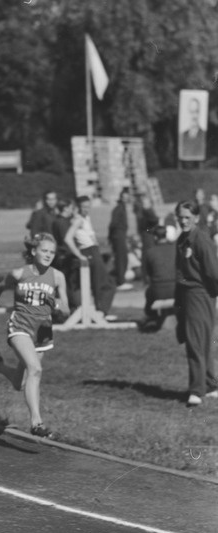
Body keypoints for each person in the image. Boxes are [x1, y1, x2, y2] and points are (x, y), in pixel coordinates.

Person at [0, 233, 69, 438]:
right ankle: (37, 423)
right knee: (35, 369)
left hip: (43, 331)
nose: (48, 255)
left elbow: (66, 309)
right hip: (20, 327)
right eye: (44, 251)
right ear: (33, 251)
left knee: (20, 383)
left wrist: (58, 305)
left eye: (52, 252)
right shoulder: (18, 274)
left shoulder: (58, 276)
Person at [174, 200, 218, 407]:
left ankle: (196, 391)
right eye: (180, 217)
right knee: (199, 340)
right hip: (186, 294)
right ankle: (209, 384)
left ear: (197, 218)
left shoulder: (201, 239)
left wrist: (212, 295)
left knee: (196, 342)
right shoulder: (182, 239)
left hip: (199, 293)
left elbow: (213, 272)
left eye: (187, 217)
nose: (183, 221)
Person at [64, 196, 117, 319]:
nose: (87, 209)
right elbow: (68, 238)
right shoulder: (78, 220)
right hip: (88, 251)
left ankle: (101, 310)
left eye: (88, 207)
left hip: (94, 250)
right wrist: (79, 255)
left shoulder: (86, 218)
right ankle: (101, 312)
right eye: (84, 207)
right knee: (105, 284)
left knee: (102, 282)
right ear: (78, 207)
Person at [139, 225, 176, 331]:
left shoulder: (150, 252)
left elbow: (149, 274)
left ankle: (151, 315)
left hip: (158, 291)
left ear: (155, 237)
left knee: (149, 292)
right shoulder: (175, 249)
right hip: (177, 289)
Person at [52, 199, 80, 310]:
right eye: (71, 208)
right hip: (65, 257)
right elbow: (66, 242)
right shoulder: (62, 222)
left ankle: (65, 308)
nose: (72, 210)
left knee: (65, 284)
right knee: (68, 284)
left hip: (61, 256)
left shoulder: (58, 221)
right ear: (66, 208)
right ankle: (70, 308)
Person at [108, 188, 133, 290]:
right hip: (118, 235)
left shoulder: (122, 208)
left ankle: (120, 278)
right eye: (124, 197)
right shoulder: (118, 209)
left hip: (121, 234)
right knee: (121, 258)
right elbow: (112, 224)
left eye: (127, 197)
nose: (126, 199)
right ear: (121, 198)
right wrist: (111, 236)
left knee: (123, 257)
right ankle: (120, 281)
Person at [179, 97, 206, 161]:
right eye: (191, 112)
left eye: (196, 111)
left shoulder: (203, 134)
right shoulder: (183, 135)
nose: (194, 116)